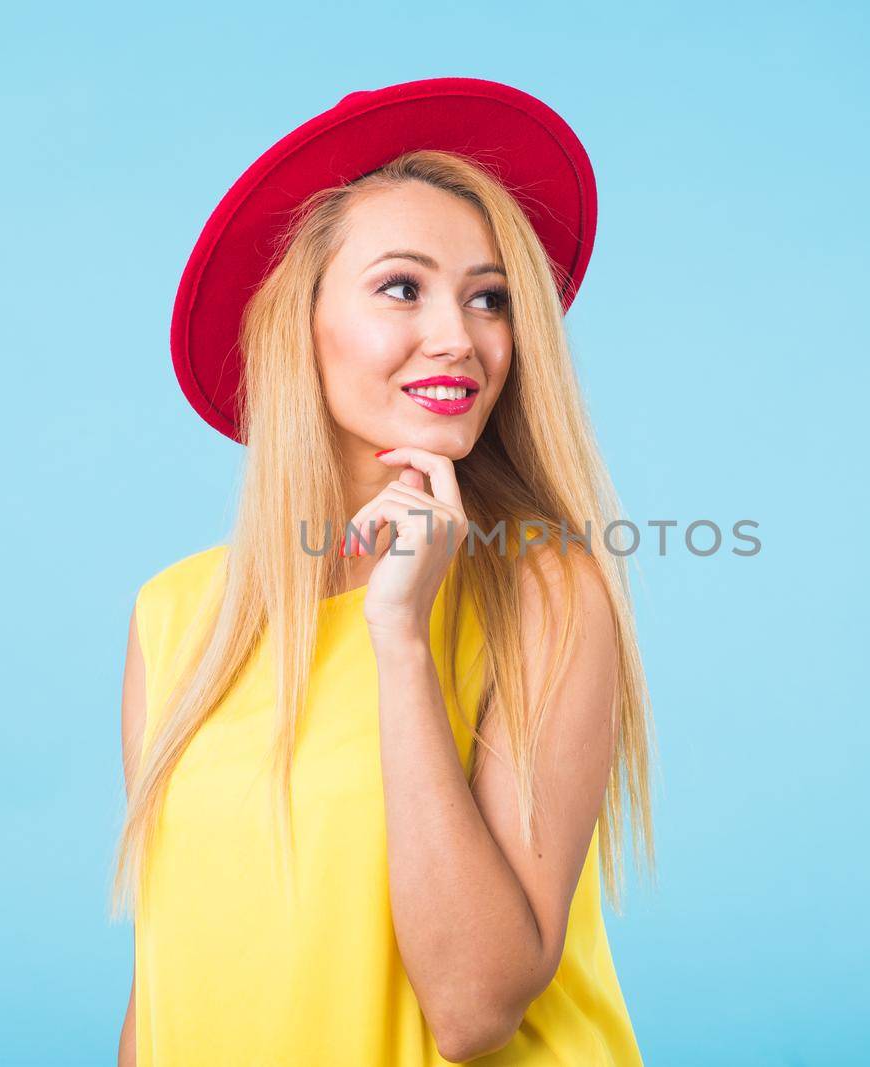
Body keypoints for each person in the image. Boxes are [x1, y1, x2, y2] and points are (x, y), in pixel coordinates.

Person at [109, 77, 657, 1065]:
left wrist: (399, 640)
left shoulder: (546, 591)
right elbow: (165, 977)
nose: (459, 335)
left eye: (488, 298)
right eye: (402, 287)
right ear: (297, 320)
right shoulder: (174, 615)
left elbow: (473, 1005)